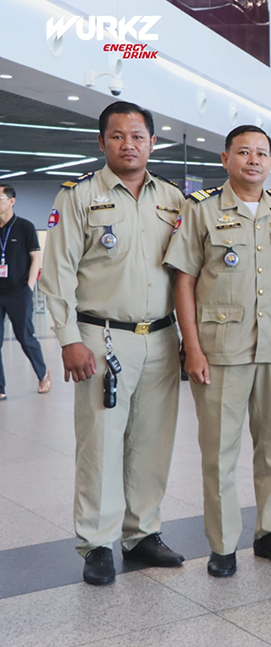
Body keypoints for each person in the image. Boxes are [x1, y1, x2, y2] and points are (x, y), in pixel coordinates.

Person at [40, 101, 186, 586]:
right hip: (101, 339)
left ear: (152, 142)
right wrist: (67, 340)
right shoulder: (79, 197)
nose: (129, 145)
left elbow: (187, 274)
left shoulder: (172, 198)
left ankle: (142, 533)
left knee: (152, 443)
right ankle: (98, 542)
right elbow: (57, 273)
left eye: (138, 136)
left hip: (162, 338)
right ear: (102, 143)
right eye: (118, 136)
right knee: (100, 444)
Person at [165, 125, 271, 577]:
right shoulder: (202, 211)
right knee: (219, 453)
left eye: (262, 153)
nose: (253, 160)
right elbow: (183, 280)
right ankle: (223, 544)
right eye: (243, 152)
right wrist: (191, 347)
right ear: (225, 158)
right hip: (219, 349)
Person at [0, 184, 50, 400]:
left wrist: (28, 288)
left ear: (12, 201)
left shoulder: (25, 227)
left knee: (25, 337)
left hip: (19, 291)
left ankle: (43, 374)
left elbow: (35, 258)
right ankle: (0, 388)